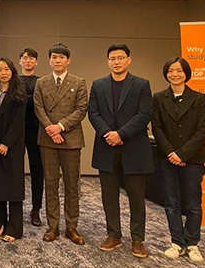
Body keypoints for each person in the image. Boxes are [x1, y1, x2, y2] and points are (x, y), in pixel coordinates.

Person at [88, 44, 153, 257]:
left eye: (120, 57)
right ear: (108, 61)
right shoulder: (98, 85)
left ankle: (137, 239)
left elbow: (144, 114)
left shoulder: (142, 84)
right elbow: (93, 112)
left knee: (136, 197)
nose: (116, 62)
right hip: (106, 147)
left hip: (134, 148)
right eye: (112, 58)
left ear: (128, 59)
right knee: (109, 196)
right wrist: (108, 133)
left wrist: (121, 134)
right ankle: (114, 235)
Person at [152, 57, 205, 263]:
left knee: (193, 204)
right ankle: (177, 242)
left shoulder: (199, 98)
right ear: (165, 73)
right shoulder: (159, 98)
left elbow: (202, 130)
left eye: (178, 70)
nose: (174, 74)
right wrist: (171, 153)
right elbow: (156, 128)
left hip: (193, 158)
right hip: (167, 158)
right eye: (170, 71)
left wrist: (183, 154)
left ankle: (192, 243)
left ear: (186, 73)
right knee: (171, 202)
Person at [33, 43, 88, 245]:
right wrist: (51, 128)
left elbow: (81, 109)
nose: (57, 60)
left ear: (68, 60)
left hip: (71, 139)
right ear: (49, 61)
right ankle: (53, 226)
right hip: (48, 139)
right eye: (54, 57)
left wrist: (61, 127)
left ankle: (72, 226)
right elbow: (38, 107)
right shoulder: (42, 82)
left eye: (61, 57)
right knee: (51, 183)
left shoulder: (79, 82)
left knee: (72, 185)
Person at [0, 58, 27, 242]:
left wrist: (7, 143)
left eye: (6, 69)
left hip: (13, 146)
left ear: (12, 71)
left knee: (13, 186)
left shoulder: (19, 93)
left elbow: (19, 122)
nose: (3, 72)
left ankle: (15, 228)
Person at [19, 47, 44, 226]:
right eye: (25, 58)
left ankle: (36, 210)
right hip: (17, 132)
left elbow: (41, 104)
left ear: (36, 62)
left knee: (37, 172)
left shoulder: (42, 82)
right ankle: (16, 207)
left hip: (37, 132)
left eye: (32, 58)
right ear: (20, 61)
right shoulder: (14, 81)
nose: (28, 61)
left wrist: (27, 99)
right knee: (16, 172)